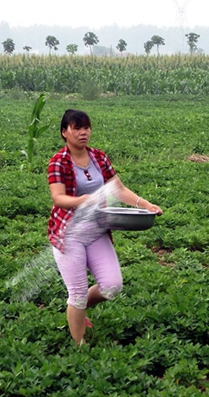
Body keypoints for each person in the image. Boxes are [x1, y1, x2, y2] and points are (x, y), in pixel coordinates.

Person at [48, 109, 163, 345]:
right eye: (76, 128)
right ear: (64, 132)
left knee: (112, 286)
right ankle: (79, 346)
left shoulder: (99, 158)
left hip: (97, 230)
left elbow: (118, 189)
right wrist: (82, 200)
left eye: (86, 128)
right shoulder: (58, 162)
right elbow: (58, 198)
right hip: (69, 234)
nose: (83, 133)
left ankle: (77, 309)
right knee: (77, 294)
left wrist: (145, 204)